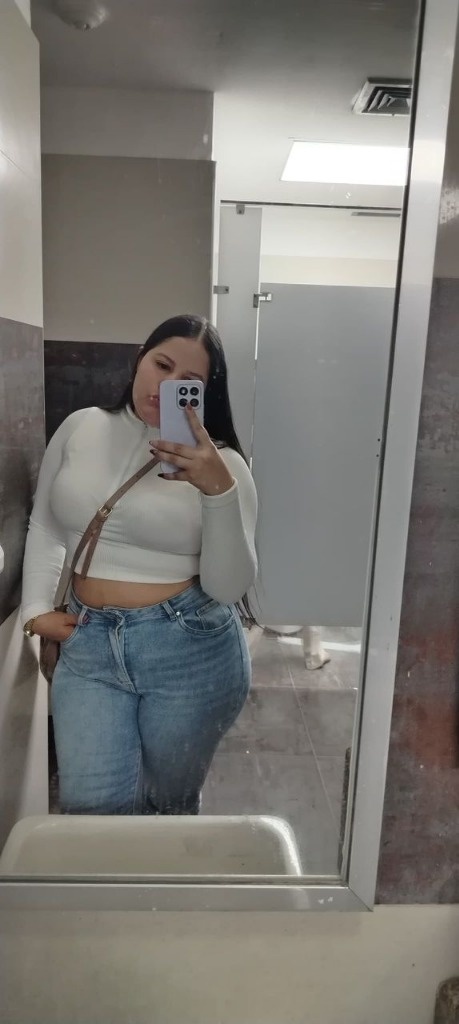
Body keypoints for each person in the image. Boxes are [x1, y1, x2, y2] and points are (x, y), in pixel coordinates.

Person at [21, 314, 258, 816]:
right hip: (87, 644)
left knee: (167, 806)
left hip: (188, 650)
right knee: (90, 811)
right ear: (139, 359)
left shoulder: (226, 466)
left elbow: (227, 588)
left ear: (205, 394)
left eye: (188, 382)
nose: (166, 385)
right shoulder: (82, 426)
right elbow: (45, 524)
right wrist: (35, 609)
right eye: (161, 365)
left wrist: (217, 489)